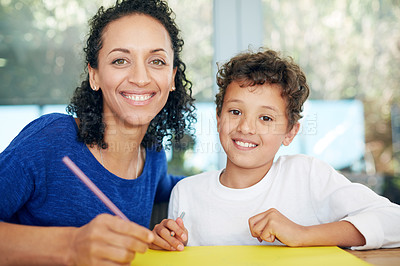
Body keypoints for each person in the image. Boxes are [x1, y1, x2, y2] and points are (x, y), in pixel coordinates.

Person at [0, 0, 195, 264]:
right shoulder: (50, 139)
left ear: (171, 78)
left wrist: (159, 233)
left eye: (157, 61)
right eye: (120, 60)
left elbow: (174, 187)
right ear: (94, 76)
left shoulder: (152, 157)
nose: (140, 77)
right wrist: (70, 245)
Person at [151, 48, 400, 251]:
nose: (246, 127)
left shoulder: (307, 175)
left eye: (266, 118)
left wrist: (302, 234)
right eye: (235, 112)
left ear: (290, 132)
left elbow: (394, 221)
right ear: (218, 117)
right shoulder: (187, 193)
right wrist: (164, 243)